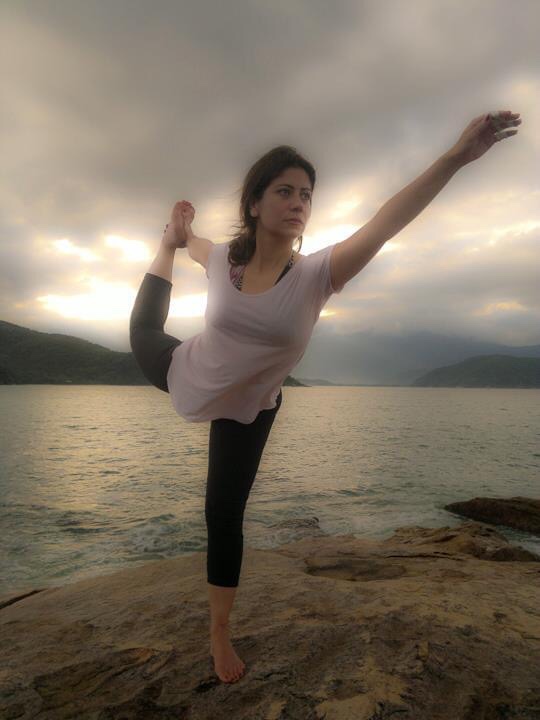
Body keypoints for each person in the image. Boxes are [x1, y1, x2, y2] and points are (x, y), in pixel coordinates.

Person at [129, 145, 345, 684]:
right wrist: (180, 235)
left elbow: (388, 221)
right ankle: (161, 244)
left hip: (249, 403)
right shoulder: (226, 259)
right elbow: (200, 248)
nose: (298, 203)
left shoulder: (317, 273)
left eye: (305, 195)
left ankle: (219, 632)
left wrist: (458, 156)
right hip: (188, 368)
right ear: (254, 203)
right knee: (143, 332)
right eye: (284, 191)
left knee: (223, 512)